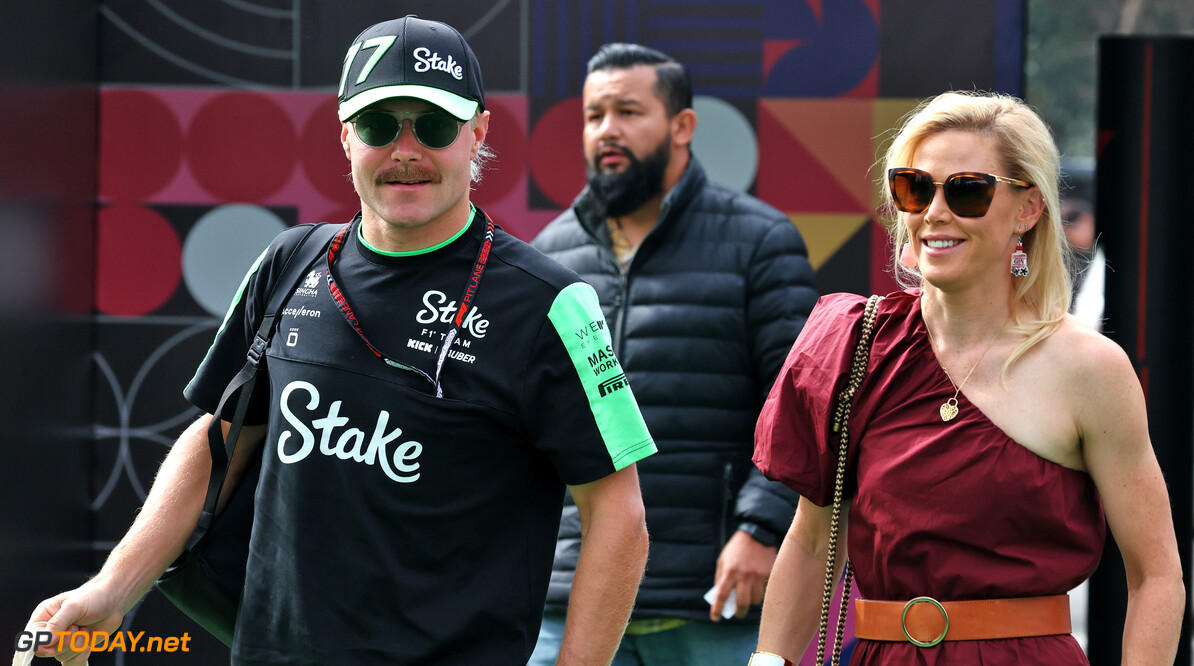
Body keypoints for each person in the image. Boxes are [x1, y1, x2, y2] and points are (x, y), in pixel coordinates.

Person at [26, 16, 657, 665]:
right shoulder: (289, 261)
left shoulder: (551, 304)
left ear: (478, 133)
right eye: (382, 125)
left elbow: (618, 517)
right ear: (346, 135)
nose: (406, 150)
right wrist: (111, 590)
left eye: (434, 126)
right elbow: (222, 442)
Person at [751, 90, 1184, 665]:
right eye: (915, 187)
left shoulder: (1089, 369)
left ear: (1027, 210)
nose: (934, 211)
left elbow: (1157, 576)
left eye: (968, 190)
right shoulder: (853, 342)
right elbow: (810, 543)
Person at [530, 43, 818, 664]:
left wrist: (762, 527)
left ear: (682, 126)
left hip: (713, 599)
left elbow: (801, 403)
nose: (607, 130)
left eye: (628, 111)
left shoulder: (761, 242)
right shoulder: (545, 258)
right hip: (569, 600)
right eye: (593, 114)